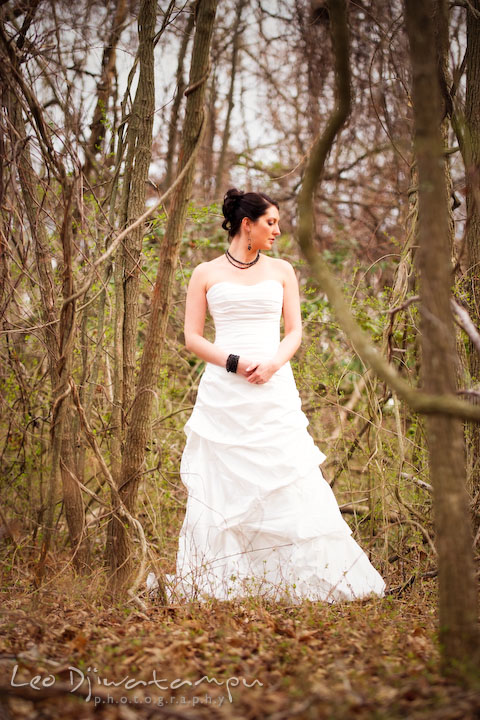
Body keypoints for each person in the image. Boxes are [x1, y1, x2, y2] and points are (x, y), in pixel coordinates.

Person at [165, 188, 386, 604]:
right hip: (225, 391)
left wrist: (272, 364)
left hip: (273, 388)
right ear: (246, 224)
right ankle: (225, 580)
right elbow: (192, 337)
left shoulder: (283, 270)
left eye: (278, 223)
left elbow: (295, 331)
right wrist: (234, 362)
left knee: (286, 475)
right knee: (223, 483)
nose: (277, 230)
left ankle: (297, 580)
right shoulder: (205, 273)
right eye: (270, 222)